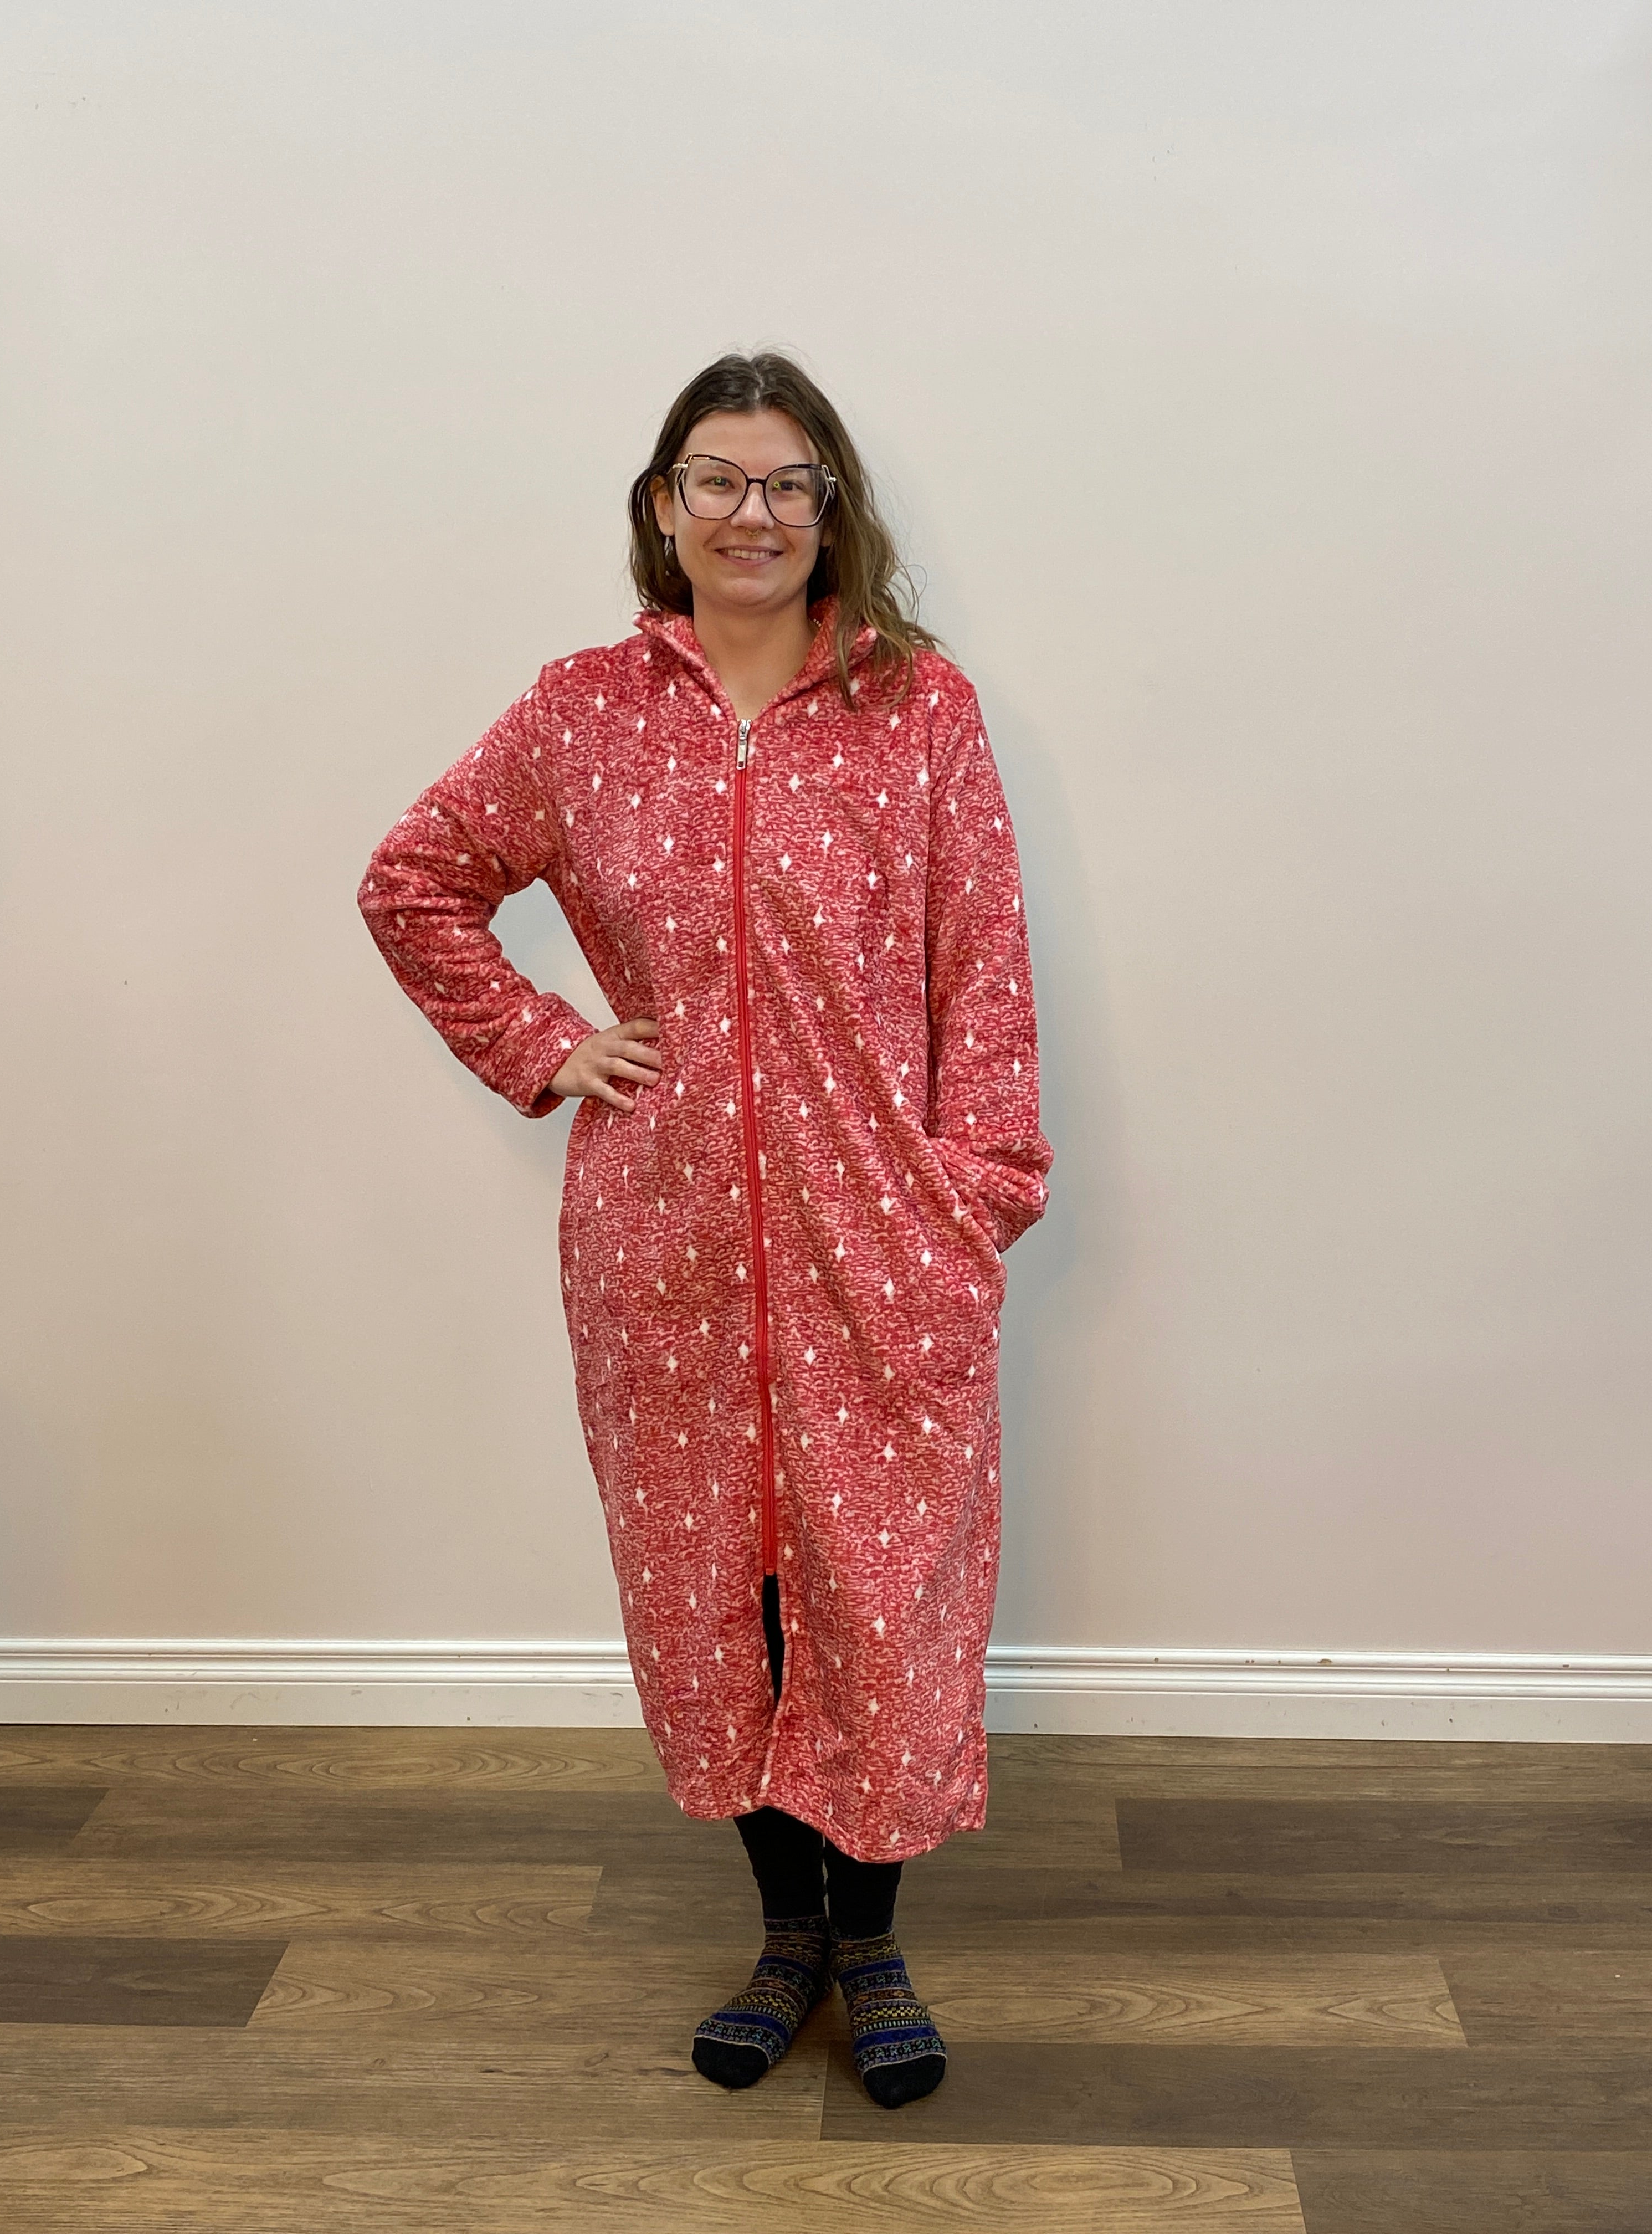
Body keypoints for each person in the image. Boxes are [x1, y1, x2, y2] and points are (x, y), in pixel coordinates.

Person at [358, 351, 1053, 2108]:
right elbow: (414, 880)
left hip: (876, 1235)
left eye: (790, 483)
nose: (757, 513)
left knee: (875, 1592)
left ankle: (872, 1939)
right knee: (712, 1599)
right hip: (660, 1243)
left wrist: (976, 1194)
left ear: (833, 511)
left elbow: (983, 962)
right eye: (722, 481)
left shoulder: (918, 710)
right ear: (664, 506)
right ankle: (784, 1934)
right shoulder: (581, 713)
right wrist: (546, 1042)